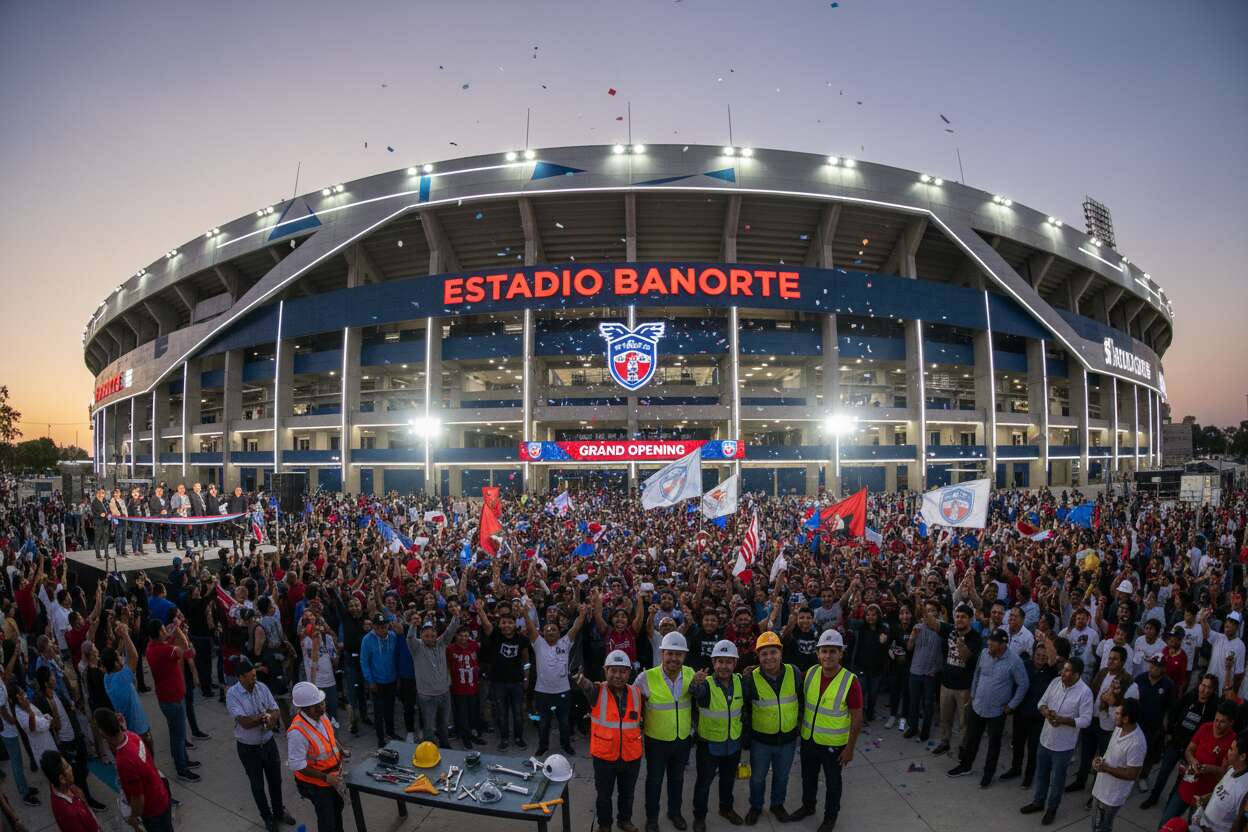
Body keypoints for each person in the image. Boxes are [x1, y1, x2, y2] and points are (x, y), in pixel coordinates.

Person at [789, 629, 863, 832]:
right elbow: (788, 677)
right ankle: (808, 806)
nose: (828, 656)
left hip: (834, 746)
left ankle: (830, 817)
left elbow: (857, 719)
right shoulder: (811, 673)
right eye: (824, 651)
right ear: (818, 653)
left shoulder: (850, 681)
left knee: (833, 783)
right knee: (808, 777)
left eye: (833, 651)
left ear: (841, 654)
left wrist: (850, 749)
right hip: (809, 740)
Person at [948, 627, 1029, 788]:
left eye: (993, 642)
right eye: (989, 641)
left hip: (997, 712)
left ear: (1003, 645)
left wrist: (1011, 706)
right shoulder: (985, 653)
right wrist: (973, 695)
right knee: (971, 739)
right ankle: (965, 766)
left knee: (993, 745)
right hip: (977, 706)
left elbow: (1023, 684)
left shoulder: (1014, 661)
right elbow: (977, 674)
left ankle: (988, 774)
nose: (989, 644)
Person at [1020, 657, 1094, 826]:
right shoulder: (1055, 682)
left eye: (1067, 671)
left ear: (1076, 675)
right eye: (1063, 669)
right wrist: (1046, 712)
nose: (1063, 673)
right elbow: (1041, 703)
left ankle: (1051, 809)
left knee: (1057, 781)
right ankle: (1038, 802)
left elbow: (1086, 720)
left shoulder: (1085, 692)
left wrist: (1063, 720)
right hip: (1045, 739)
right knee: (1041, 775)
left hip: (1064, 746)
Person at [576, 649, 643, 832]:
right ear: (606, 671)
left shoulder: (636, 693)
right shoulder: (598, 691)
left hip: (631, 755)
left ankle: (624, 820)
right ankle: (604, 825)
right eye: (613, 670)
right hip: (604, 756)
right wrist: (580, 679)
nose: (618, 676)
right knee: (604, 796)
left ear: (629, 673)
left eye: (623, 671)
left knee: (627, 794)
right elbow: (587, 686)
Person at [636, 630, 695, 832]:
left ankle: (675, 813)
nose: (674, 658)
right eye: (670, 653)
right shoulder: (646, 677)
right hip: (656, 741)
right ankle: (652, 818)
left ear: (684, 656)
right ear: (662, 654)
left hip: (682, 740)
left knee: (677, 780)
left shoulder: (690, 674)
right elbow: (631, 701)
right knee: (654, 781)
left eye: (678, 654)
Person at [228, 656, 295, 832]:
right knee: (257, 785)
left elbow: (275, 710)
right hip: (248, 749)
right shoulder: (232, 694)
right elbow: (244, 722)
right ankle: (267, 817)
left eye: (255, 675)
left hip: (268, 743)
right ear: (240, 677)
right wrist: (264, 717)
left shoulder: (261, 688)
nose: (254, 679)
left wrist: (271, 717)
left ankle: (279, 811)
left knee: (275, 781)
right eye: (251, 677)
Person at [742, 629, 801, 824]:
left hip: (788, 739)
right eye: (764, 653)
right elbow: (744, 707)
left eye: (773, 652)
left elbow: (801, 700)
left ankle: (777, 805)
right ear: (758, 656)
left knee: (782, 776)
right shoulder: (750, 678)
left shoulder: (794, 672)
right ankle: (756, 806)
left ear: (781, 653)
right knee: (757, 778)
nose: (769, 657)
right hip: (761, 741)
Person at [33, 665, 105, 810]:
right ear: (46, 683)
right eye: (52, 677)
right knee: (77, 772)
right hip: (65, 743)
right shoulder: (40, 702)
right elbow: (49, 725)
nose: (55, 678)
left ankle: (82, 784)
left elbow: (69, 709)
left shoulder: (57, 692)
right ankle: (88, 800)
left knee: (82, 765)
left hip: (76, 736)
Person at [1143, 673, 1219, 810]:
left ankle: (1170, 805)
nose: (1204, 690)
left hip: (1192, 750)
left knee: (1181, 779)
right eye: (1203, 685)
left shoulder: (1214, 707)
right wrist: (1171, 731)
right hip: (1175, 743)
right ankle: (1153, 798)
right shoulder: (1190, 696)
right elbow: (1174, 711)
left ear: (1213, 690)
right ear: (1199, 685)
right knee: (1163, 772)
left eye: (1209, 687)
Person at [690, 640, 745, 831]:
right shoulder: (706, 684)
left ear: (735, 663)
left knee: (728, 780)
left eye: (728, 662)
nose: (724, 666)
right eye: (720, 661)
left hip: (732, 743)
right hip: (709, 744)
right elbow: (696, 693)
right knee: (704, 783)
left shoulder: (740, 680)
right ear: (713, 663)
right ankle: (699, 816)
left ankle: (726, 808)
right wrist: (695, 683)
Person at [523, 596, 587, 756]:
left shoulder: (565, 642)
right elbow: (530, 628)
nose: (551, 631)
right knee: (544, 723)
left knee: (564, 723)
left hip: (563, 692)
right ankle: (543, 746)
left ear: (559, 633)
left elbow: (576, 627)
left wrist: (582, 614)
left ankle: (565, 745)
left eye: (554, 629)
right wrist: (525, 613)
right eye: (548, 629)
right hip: (542, 693)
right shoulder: (538, 643)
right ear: (542, 633)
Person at [96, 707, 173, 832]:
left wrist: (133, 818)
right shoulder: (132, 736)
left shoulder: (124, 762)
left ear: (103, 732)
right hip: (161, 794)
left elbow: (138, 799)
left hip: (153, 809)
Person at [1159, 700, 1236, 825]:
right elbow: (1189, 750)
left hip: (1204, 797)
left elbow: (1224, 771)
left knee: (1193, 827)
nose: (1217, 724)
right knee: (1166, 822)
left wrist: (1207, 768)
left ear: (1231, 722)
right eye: (1216, 719)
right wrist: (1193, 761)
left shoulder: (1233, 742)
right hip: (1187, 786)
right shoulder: (1205, 727)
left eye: (1222, 722)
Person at [143, 618, 201, 781]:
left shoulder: (152, 648)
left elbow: (170, 642)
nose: (165, 632)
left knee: (177, 733)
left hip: (169, 697)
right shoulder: (164, 650)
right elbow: (188, 652)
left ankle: (183, 761)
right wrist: (180, 633)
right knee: (179, 735)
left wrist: (172, 631)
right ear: (158, 633)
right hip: (173, 699)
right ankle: (182, 768)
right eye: (162, 629)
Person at [287, 681, 348, 832]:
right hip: (316, 785)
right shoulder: (297, 733)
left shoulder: (322, 715)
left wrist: (341, 749)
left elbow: (330, 737)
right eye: (317, 706)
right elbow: (297, 765)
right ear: (305, 709)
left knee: (337, 810)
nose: (322, 707)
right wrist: (326, 778)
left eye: (322, 703)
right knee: (327, 822)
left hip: (333, 778)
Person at [1000, 636, 1059, 788]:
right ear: (1033, 655)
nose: (1040, 658)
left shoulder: (1051, 670)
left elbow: (1053, 657)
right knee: (1017, 744)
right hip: (1020, 713)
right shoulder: (1024, 665)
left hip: (1038, 718)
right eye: (1038, 655)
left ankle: (1029, 776)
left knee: (1033, 749)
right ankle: (1015, 769)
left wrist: (1046, 641)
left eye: (1044, 656)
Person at [928, 602, 983, 756]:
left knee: (964, 722)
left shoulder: (975, 638)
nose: (959, 619)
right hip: (946, 685)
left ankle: (963, 747)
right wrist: (921, 607)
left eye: (963, 617)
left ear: (970, 619)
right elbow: (932, 624)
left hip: (964, 688)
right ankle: (944, 742)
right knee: (945, 719)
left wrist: (960, 644)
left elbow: (966, 658)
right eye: (957, 616)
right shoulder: (949, 629)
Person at [406, 606, 461, 748]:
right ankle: (430, 750)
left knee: (443, 724)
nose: (430, 638)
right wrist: (413, 625)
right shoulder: (417, 647)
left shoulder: (441, 643)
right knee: (429, 727)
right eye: (426, 635)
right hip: (427, 696)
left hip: (444, 693)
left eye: (432, 635)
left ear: (436, 634)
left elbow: (451, 630)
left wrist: (455, 615)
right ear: (421, 636)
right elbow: (410, 637)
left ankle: (445, 745)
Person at [479, 597, 530, 749]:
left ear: (515, 624)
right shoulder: (495, 635)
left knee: (518, 713)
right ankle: (504, 738)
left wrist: (526, 678)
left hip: (516, 682)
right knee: (502, 713)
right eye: (503, 622)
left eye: (510, 622)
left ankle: (519, 737)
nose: (507, 625)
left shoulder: (522, 639)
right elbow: (487, 625)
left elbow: (526, 661)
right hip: (498, 682)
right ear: (499, 625)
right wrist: (480, 610)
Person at [1089, 698, 1146, 832]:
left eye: (1118, 713)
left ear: (1126, 719)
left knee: (1104, 827)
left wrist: (1105, 768)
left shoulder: (1137, 743)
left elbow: (1132, 774)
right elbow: (1110, 754)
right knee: (1095, 825)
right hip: (1101, 787)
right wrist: (1099, 760)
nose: (1115, 714)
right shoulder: (1119, 728)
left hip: (1112, 796)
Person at [1189, 731, 1248, 832]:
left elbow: (1238, 823)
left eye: (1231, 749)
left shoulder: (1245, 789)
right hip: (1201, 825)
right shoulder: (1232, 769)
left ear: (1242, 757)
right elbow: (1224, 793)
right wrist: (1207, 798)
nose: (1227, 752)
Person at [359, 612, 398, 748]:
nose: (382, 629)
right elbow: (364, 661)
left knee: (390, 709)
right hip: (377, 681)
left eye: (385, 626)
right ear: (374, 627)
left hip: (391, 679)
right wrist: (370, 680)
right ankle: (380, 738)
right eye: (379, 627)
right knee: (378, 711)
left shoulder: (393, 637)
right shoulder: (367, 640)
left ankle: (391, 732)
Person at [41, 749, 100, 832]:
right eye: (67, 767)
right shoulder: (69, 813)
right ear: (62, 779)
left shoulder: (57, 785)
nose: (71, 767)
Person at [0, 681, 40, 806]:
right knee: (16, 762)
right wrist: (12, 720)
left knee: (18, 761)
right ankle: (24, 793)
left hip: (10, 729)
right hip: (8, 731)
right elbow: (1, 708)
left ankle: (24, 787)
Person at [148, 484, 170, 554]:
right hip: (156, 518)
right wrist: (161, 511)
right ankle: (158, 548)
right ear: (155, 491)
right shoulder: (153, 498)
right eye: (158, 490)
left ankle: (165, 547)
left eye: (161, 490)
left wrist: (166, 510)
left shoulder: (165, 498)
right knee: (157, 534)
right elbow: (153, 507)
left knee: (165, 534)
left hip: (165, 518)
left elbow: (168, 506)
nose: (160, 491)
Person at [90, 488, 109, 559]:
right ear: (97, 493)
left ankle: (106, 554)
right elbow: (93, 513)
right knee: (98, 539)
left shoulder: (105, 501)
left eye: (103, 493)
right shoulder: (94, 502)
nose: (102, 494)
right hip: (98, 523)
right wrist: (100, 515)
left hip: (106, 523)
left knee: (106, 539)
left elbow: (108, 510)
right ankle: (98, 554)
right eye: (100, 493)